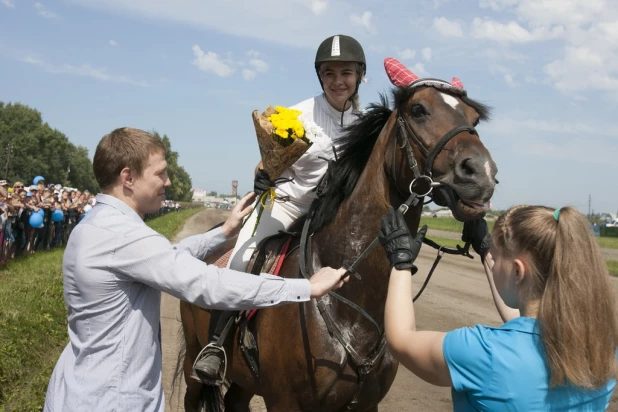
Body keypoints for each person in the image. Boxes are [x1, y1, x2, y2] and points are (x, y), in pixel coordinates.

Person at [43, 127, 348, 412]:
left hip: (77, 388)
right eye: (160, 173)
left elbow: (164, 258)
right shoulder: (126, 236)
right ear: (128, 178)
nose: (168, 182)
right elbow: (208, 284)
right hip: (115, 399)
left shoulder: (96, 225)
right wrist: (304, 288)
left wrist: (222, 232)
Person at [193, 34, 366, 377]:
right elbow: (267, 163)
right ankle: (216, 343)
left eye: (345, 73)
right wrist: (261, 177)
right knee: (242, 256)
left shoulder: (365, 125)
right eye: (329, 73)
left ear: (359, 75)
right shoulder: (296, 115)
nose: (337, 81)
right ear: (320, 77)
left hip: (332, 217)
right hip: (286, 207)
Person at [380, 205, 617, 411]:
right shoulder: (603, 346)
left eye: (496, 255)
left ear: (517, 271)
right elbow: (526, 328)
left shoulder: (483, 352)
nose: (493, 265)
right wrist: (485, 251)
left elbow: (401, 340)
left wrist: (401, 261)